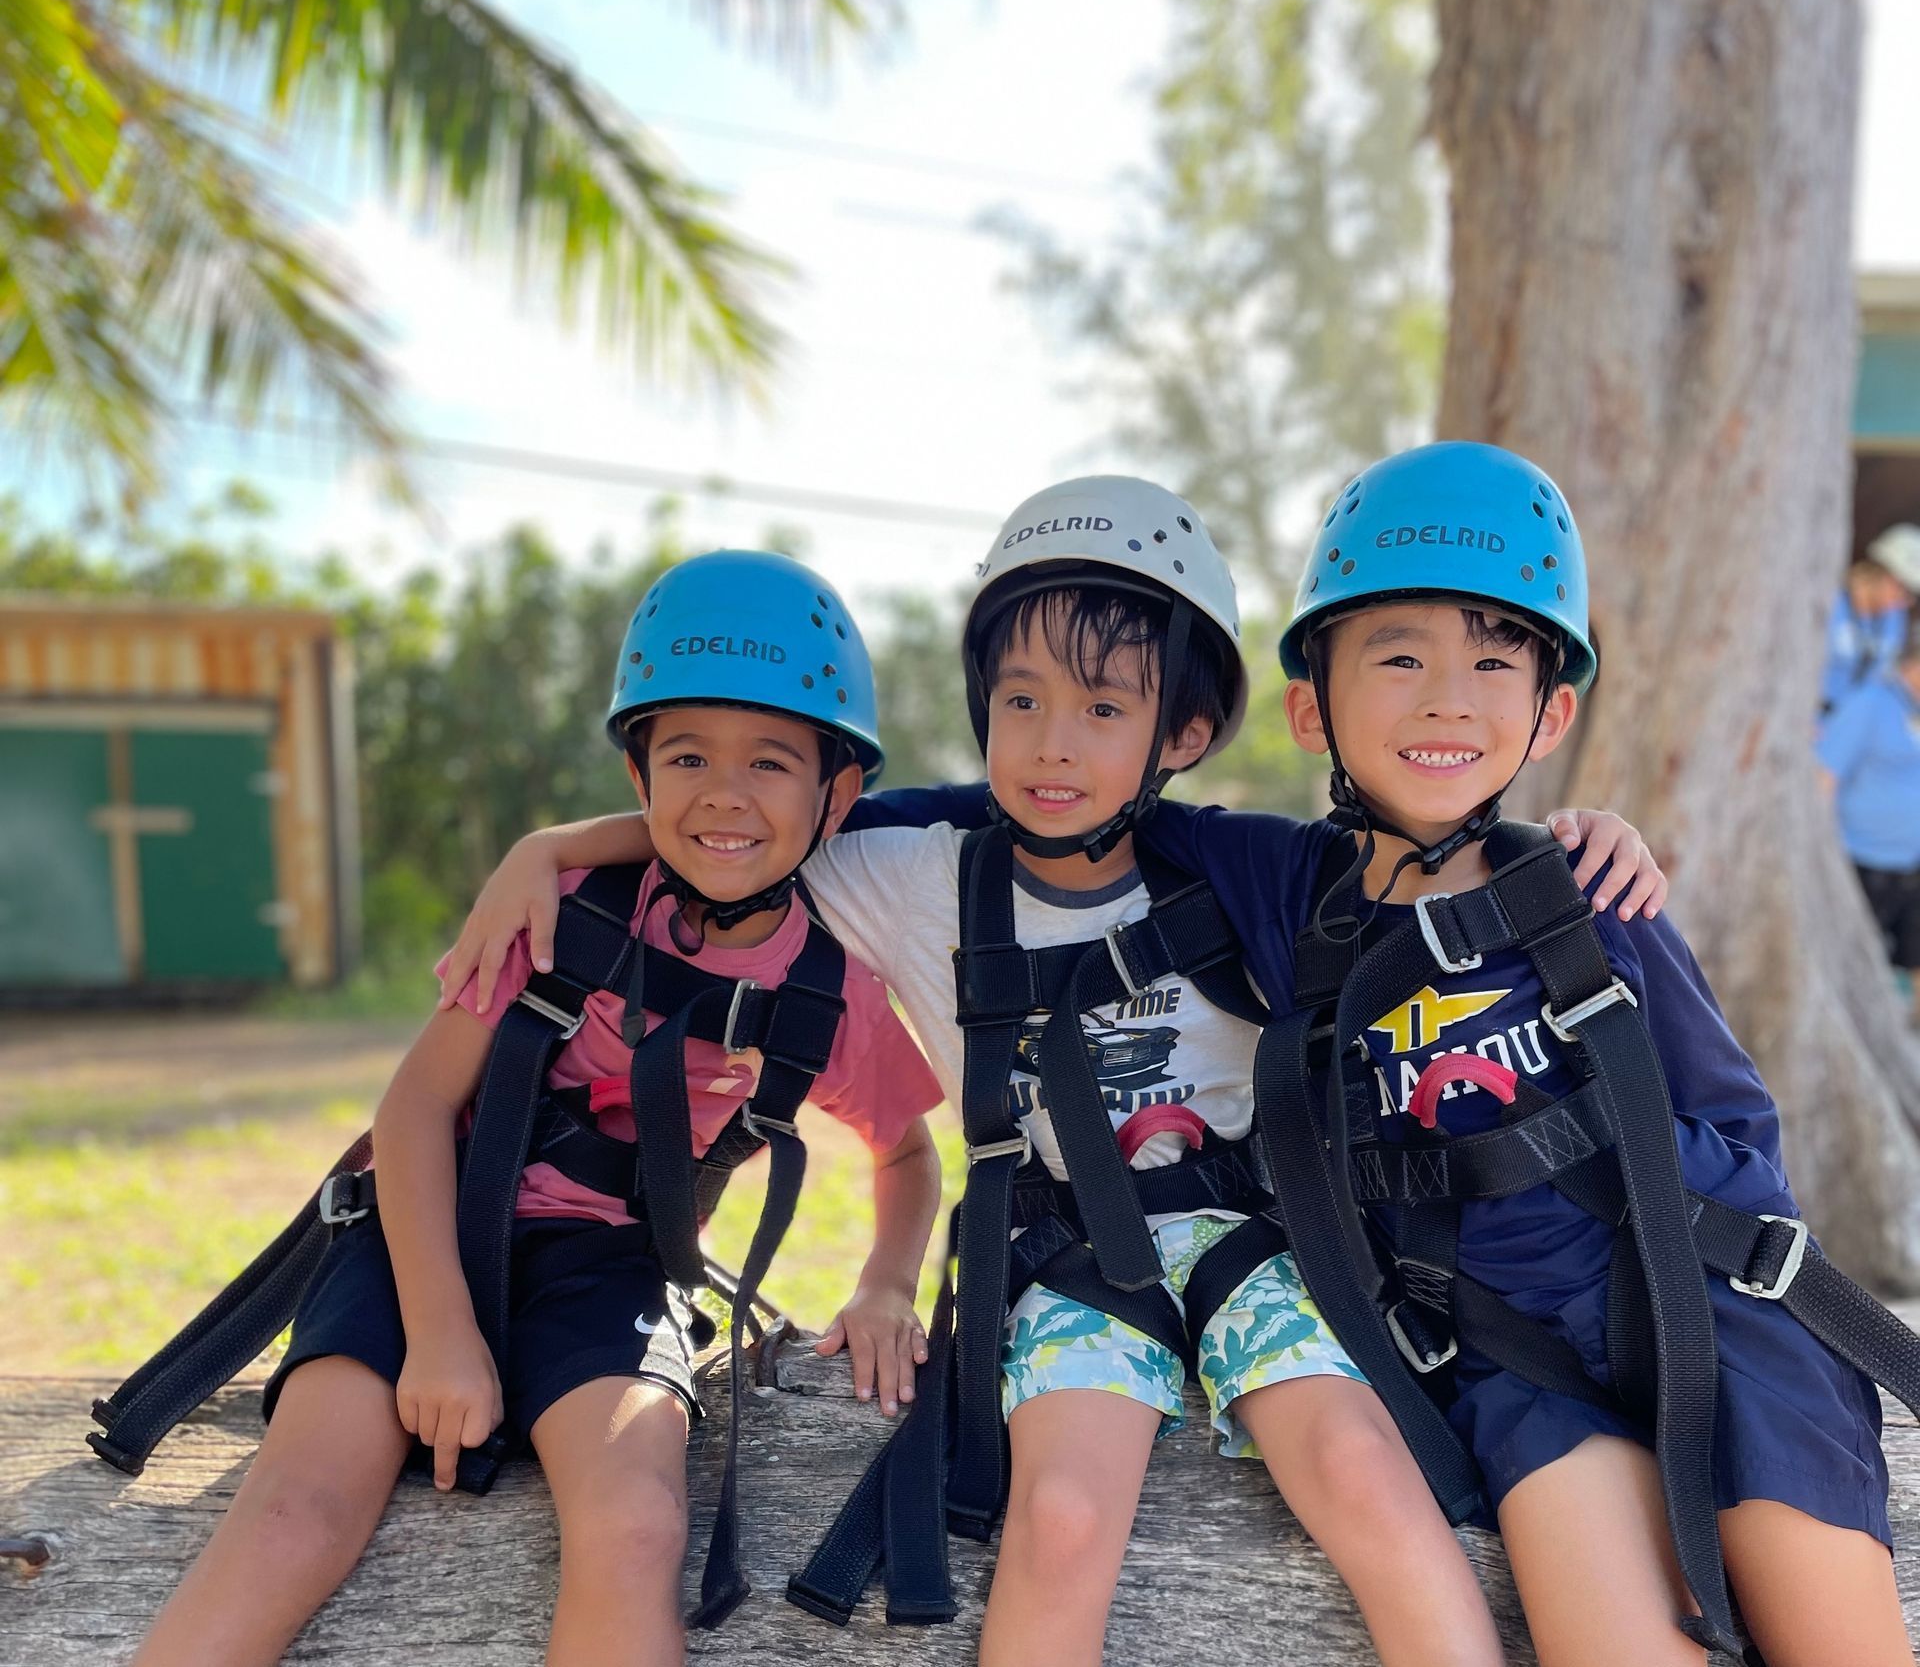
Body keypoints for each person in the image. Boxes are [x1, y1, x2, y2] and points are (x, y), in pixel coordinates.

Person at [442, 480, 1671, 1667]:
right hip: (1064, 1257)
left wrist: (1568, 838)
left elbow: (1429, 848)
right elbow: (738, 821)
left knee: (1365, 1475)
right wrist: (548, 849)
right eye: (1018, 702)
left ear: (1182, 733)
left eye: (1101, 709)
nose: (1051, 746)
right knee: (1064, 1518)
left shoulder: (1252, 869)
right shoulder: (911, 869)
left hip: (1257, 1241)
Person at [1114, 443, 1909, 1667]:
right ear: (1310, 703)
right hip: (1507, 1360)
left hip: (1709, 1305)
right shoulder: (1281, 889)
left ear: (1553, 710)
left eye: (1496, 660)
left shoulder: (1589, 890)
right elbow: (1064, 808)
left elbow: (1734, 1122)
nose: (1449, 698)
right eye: (1398, 656)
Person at [130, 552, 945, 1667]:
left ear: (836, 794)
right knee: (292, 1513)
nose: (725, 791)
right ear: (639, 769)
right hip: (421, 1241)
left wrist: (888, 1279)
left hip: (612, 1274)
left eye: (770, 759)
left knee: (640, 1523)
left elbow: (904, 1150)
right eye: (688, 754)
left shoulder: (825, 993)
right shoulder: (554, 911)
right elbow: (413, 1113)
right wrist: (442, 1334)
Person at [1819, 618, 1920, 1029]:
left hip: (1910, 863)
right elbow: (1823, 778)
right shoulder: (1870, 703)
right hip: (1863, 862)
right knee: (1856, 959)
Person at [1822, 523, 1920, 714]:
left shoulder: (1893, 622)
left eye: (1912, 596)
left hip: (1849, 722)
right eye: (1903, 589)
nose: (1905, 601)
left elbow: (1884, 678)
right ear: (1881, 571)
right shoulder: (1831, 601)